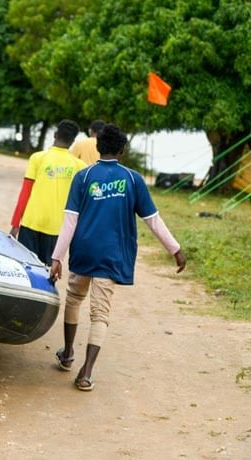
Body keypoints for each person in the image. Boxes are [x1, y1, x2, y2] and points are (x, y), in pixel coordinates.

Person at [50, 123, 186, 391]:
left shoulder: (84, 177)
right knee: (100, 312)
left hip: (84, 250)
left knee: (75, 299)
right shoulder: (133, 179)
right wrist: (175, 249)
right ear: (123, 149)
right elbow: (153, 220)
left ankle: (67, 354)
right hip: (112, 255)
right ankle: (86, 373)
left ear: (98, 147)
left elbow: (70, 221)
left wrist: (57, 257)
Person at [9, 120, 86, 265]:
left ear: (55, 135)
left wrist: (15, 224)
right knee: (48, 271)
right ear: (73, 141)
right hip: (57, 229)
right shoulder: (80, 166)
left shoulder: (37, 158)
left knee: (25, 268)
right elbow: (81, 203)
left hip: (31, 223)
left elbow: (25, 192)